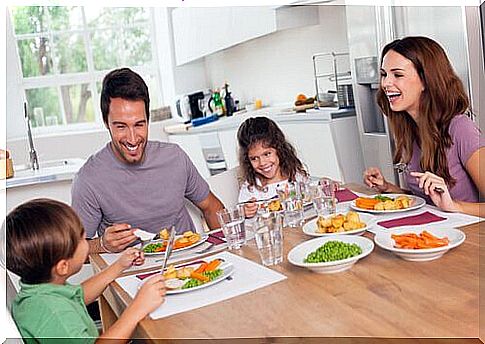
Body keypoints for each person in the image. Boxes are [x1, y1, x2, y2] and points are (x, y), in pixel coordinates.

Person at [71, 68, 224, 253]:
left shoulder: (174, 157)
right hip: (132, 273)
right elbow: (74, 251)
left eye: (139, 124)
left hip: (188, 261)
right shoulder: (89, 179)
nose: (133, 138)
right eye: (121, 126)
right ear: (106, 122)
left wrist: (228, 247)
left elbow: (211, 206)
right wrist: (102, 244)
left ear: (148, 120)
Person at [6, 198, 166, 342]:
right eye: (83, 239)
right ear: (63, 267)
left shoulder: (42, 293)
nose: (87, 243)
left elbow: (79, 295)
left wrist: (119, 265)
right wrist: (137, 308)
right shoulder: (54, 312)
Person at [363, 36, 485, 217]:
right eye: (384, 74)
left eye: (397, 75)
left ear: (426, 80)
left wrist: (455, 206)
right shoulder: (409, 128)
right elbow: (425, 201)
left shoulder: (461, 129)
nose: (386, 83)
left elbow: (446, 205)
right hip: (431, 234)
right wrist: (387, 188)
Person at [237, 116, 308, 218]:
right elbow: (241, 215)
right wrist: (245, 212)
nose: (262, 163)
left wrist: (321, 185)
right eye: (254, 158)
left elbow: (311, 195)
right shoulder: (251, 189)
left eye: (267, 154)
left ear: (279, 149)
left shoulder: (295, 175)